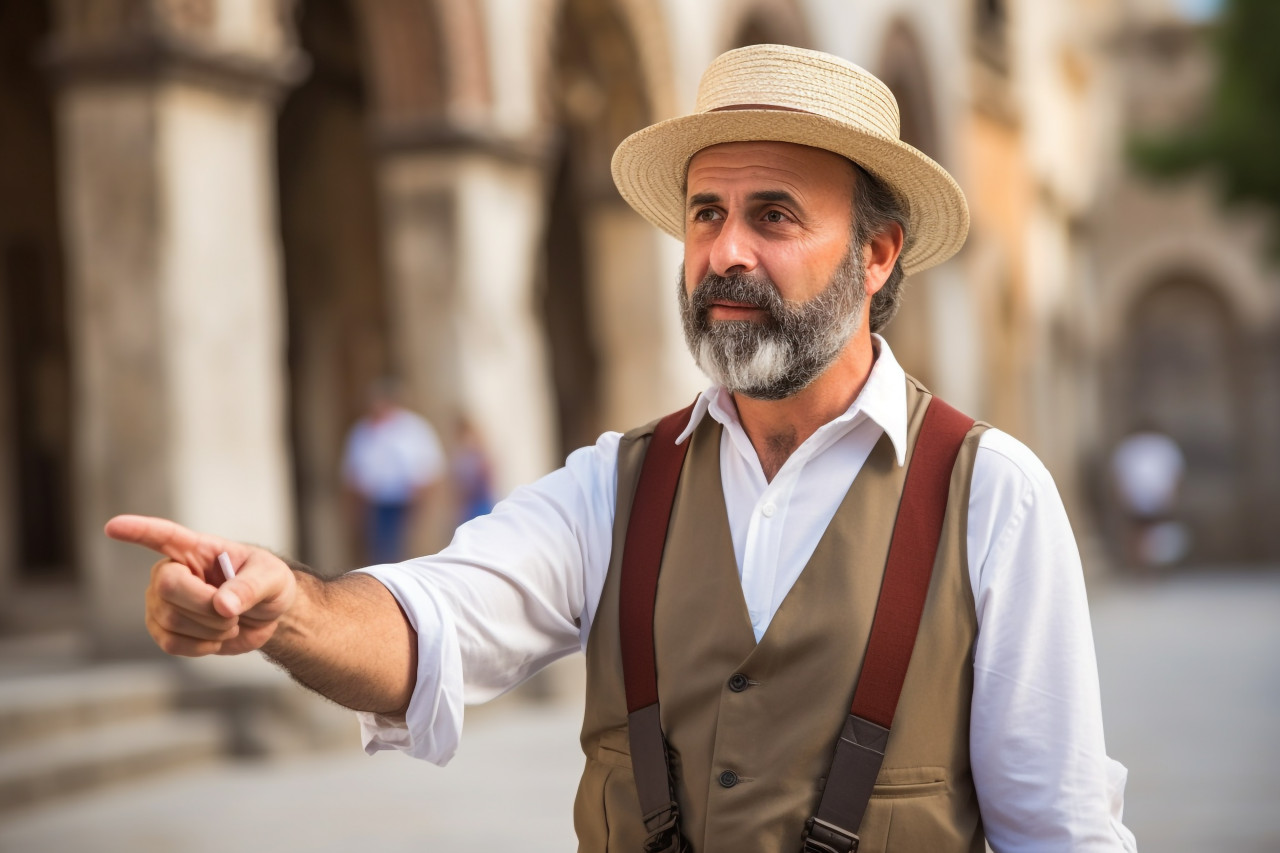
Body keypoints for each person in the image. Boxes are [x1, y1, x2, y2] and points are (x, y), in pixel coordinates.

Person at [105, 45, 1135, 852]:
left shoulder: (988, 493)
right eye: (705, 214)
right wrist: (286, 602)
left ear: (876, 252)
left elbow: (1060, 830)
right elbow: (433, 620)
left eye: (773, 215)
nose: (725, 251)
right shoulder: (616, 486)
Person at [341, 379, 444, 564]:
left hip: (407, 501)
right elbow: (352, 473)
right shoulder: (362, 431)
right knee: (380, 551)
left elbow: (430, 467)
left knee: (408, 549)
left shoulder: (413, 428)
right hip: (375, 503)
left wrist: (424, 500)